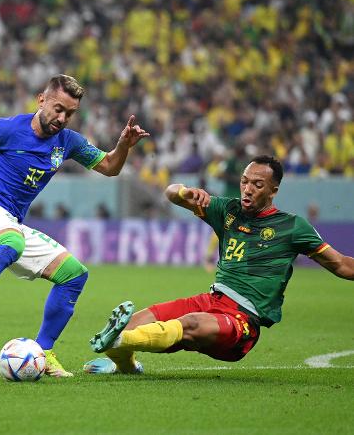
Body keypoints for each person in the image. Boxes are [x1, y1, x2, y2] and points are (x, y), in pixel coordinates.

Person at [0, 74, 149, 378]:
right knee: (12, 242)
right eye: (58, 109)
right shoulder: (6, 128)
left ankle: (44, 351)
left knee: (74, 274)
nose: (62, 118)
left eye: (70, 113)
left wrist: (124, 145)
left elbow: (111, 167)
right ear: (41, 100)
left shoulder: (68, 142)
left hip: (10, 224)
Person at [84, 155, 354, 374]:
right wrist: (185, 191)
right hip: (211, 300)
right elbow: (171, 194)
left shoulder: (292, 227)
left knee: (188, 324)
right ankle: (126, 365)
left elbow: (341, 264)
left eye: (257, 185)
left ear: (274, 190)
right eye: (245, 181)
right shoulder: (227, 210)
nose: (248, 189)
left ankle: (117, 339)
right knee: (134, 322)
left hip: (241, 320)